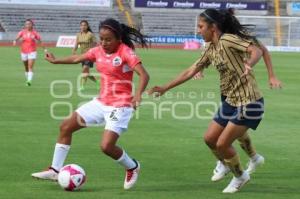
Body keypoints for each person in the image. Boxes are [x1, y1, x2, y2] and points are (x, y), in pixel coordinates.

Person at [148, 9, 266, 193]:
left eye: (201, 26)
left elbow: (256, 50)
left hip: (250, 101)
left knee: (222, 144)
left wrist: (250, 63)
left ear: (213, 27)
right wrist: (165, 87)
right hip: (231, 101)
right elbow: (190, 71)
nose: (198, 30)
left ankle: (240, 176)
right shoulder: (210, 49)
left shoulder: (227, 40)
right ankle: (226, 164)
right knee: (210, 139)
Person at [31, 18, 149, 190]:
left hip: (120, 105)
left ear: (118, 38)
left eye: (108, 39)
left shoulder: (126, 52)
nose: (104, 42)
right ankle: (55, 170)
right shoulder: (98, 51)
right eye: (101, 38)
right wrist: (56, 60)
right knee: (65, 126)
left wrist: (138, 95)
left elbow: (144, 75)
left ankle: (132, 166)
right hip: (100, 102)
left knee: (106, 146)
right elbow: (77, 58)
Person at [193, 12, 282, 182]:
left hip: (245, 93)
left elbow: (262, 50)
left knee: (231, 133)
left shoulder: (237, 36)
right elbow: (210, 57)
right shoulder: (215, 40)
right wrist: (201, 69)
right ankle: (253, 158)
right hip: (228, 93)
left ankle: (240, 163)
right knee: (234, 132)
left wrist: (271, 75)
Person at [13, 19, 42, 86]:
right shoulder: (22, 32)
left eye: (29, 24)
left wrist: (35, 39)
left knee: (30, 67)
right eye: (26, 24)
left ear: (32, 25)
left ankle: (29, 81)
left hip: (32, 51)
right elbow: (16, 40)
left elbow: (39, 41)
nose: (27, 25)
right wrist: (16, 41)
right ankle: (27, 79)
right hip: (24, 51)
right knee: (26, 67)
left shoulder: (35, 33)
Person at [72, 20, 98, 91]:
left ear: (87, 26)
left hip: (90, 55)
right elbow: (76, 44)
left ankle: (82, 86)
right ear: (80, 26)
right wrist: (74, 51)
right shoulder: (78, 35)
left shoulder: (90, 34)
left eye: (85, 25)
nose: (83, 27)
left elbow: (96, 44)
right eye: (82, 25)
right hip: (82, 55)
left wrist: (92, 50)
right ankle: (97, 82)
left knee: (85, 69)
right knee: (86, 72)